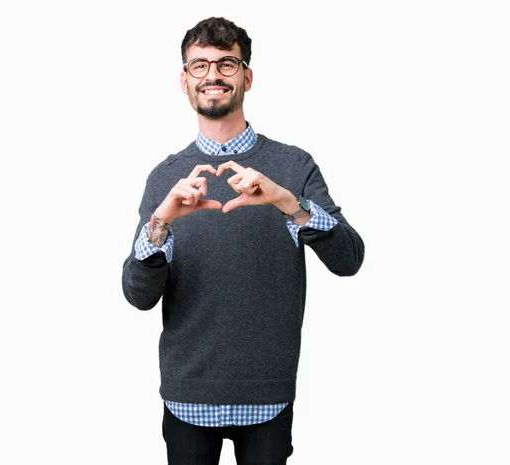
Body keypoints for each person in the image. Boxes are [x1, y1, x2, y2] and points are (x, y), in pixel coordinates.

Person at [122, 16, 364, 465]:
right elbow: (138, 295)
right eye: (199, 65)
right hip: (187, 395)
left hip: (268, 393)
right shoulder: (165, 178)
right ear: (185, 81)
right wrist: (161, 222)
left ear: (247, 77)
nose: (212, 74)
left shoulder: (292, 166)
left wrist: (288, 202)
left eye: (226, 63)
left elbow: (349, 258)